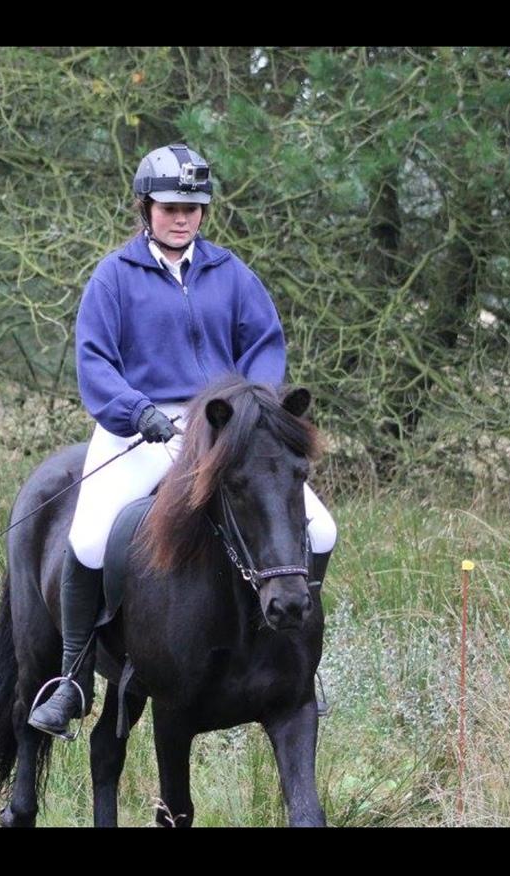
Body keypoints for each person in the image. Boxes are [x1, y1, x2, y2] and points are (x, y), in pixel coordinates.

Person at [28, 143, 337, 737]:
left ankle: (297, 657)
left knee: (321, 529)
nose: (181, 218)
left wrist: (252, 406)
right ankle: (72, 679)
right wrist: (135, 410)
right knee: (88, 540)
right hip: (142, 427)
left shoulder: (231, 273)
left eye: (191, 209)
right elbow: (94, 361)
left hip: (224, 425)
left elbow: (264, 345)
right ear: (145, 208)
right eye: (170, 207)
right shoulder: (114, 277)